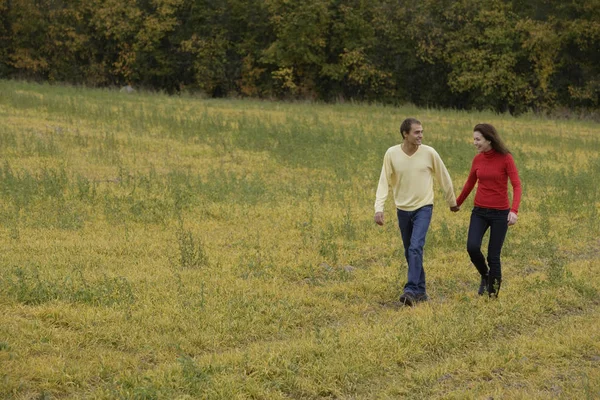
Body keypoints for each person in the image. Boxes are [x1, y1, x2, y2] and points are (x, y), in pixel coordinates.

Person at [374, 118, 459, 306]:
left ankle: (410, 290)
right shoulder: (392, 154)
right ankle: (421, 291)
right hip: (402, 209)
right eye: (416, 132)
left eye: (421, 132)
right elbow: (383, 181)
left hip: (424, 207)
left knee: (415, 247)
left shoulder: (429, 153)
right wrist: (378, 208)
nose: (421, 135)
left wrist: (452, 201)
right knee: (409, 250)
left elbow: (443, 176)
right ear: (405, 134)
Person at [454, 123, 522, 298]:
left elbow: (516, 185)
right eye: (474, 139)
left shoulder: (506, 158)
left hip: (500, 214)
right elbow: (470, 182)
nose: (474, 143)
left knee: (494, 255)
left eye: (478, 139)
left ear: (489, 140)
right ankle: (485, 275)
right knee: (472, 247)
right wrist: (457, 202)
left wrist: (514, 211)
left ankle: (492, 295)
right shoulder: (478, 159)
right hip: (479, 212)